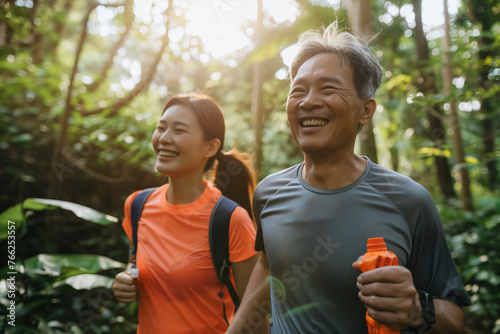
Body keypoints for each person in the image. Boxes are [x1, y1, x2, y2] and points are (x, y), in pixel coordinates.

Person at [227, 22, 471, 334]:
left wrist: (416, 310)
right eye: (298, 90)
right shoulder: (268, 193)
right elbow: (270, 264)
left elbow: (455, 319)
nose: (308, 101)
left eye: (327, 89)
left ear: (365, 110)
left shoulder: (408, 201)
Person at [112, 93, 269, 333]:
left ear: (211, 147)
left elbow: (255, 314)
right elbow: (135, 263)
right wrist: (126, 279)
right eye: (161, 128)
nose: (164, 138)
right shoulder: (137, 205)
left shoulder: (230, 220)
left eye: (179, 131)